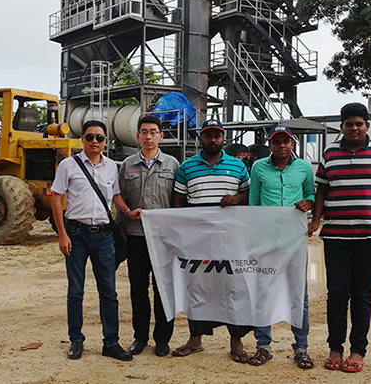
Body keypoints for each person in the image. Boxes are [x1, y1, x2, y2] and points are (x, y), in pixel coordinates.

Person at [307, 103, 371, 373]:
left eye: (359, 123)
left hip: (370, 236)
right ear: (342, 127)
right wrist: (316, 220)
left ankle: (358, 351)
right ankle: (335, 348)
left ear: (367, 126)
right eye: (349, 124)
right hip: (336, 235)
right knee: (337, 294)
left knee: (361, 295)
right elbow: (322, 190)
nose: (354, 128)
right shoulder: (329, 153)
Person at [50, 120, 136, 362]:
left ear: (105, 141)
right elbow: (56, 199)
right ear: (82, 140)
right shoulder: (68, 165)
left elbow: (115, 195)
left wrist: (128, 212)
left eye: (99, 137)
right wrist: (62, 235)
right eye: (90, 137)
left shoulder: (111, 167)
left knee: (109, 291)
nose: (94, 141)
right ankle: (76, 340)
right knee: (75, 290)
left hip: (104, 236)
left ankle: (111, 342)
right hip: (75, 234)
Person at [170, 118, 253, 363]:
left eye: (217, 136)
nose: (213, 140)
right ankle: (195, 339)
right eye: (208, 135)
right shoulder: (186, 167)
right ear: (201, 138)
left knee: (234, 287)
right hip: (198, 239)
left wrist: (237, 199)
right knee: (198, 287)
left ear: (223, 138)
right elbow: (178, 202)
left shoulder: (237, 165)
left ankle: (236, 341)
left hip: (231, 238)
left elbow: (249, 193)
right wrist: (182, 233)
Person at [247, 125, 315, 369]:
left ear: (292, 144)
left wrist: (308, 203)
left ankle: (301, 347)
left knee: (298, 292)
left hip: (294, 238)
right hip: (266, 239)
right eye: (277, 142)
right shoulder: (258, 167)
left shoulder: (304, 167)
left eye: (286, 141)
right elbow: (254, 203)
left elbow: (311, 195)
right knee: (263, 290)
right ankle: (263, 345)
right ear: (270, 145)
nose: (282, 146)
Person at [117, 115, 179, 358]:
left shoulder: (173, 165)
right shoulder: (127, 165)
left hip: (164, 238)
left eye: (153, 132)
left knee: (163, 289)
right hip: (136, 236)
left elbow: (178, 201)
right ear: (138, 136)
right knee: (138, 288)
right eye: (144, 132)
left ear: (161, 136)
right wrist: (125, 218)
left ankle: (162, 339)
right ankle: (140, 337)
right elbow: (119, 197)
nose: (149, 136)